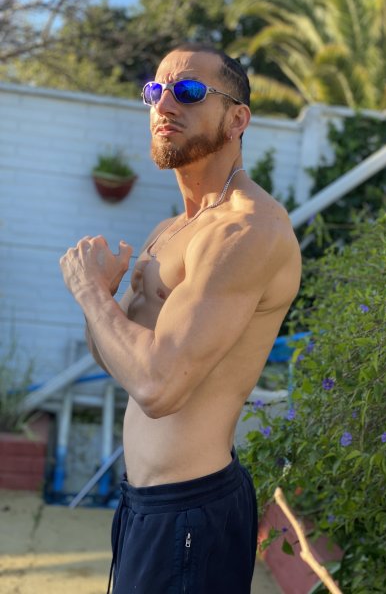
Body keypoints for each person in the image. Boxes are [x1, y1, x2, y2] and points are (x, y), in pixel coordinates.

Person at [60, 42, 301, 594]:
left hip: (190, 512)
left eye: (189, 91)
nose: (165, 104)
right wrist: (102, 299)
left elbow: (158, 387)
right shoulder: (168, 232)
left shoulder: (248, 229)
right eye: (155, 90)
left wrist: (90, 294)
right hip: (142, 505)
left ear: (237, 119)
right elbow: (117, 359)